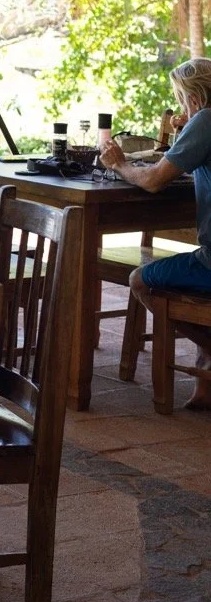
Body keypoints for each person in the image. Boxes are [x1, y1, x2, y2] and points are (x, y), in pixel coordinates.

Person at [101, 57, 211, 410]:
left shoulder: (206, 119)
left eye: (182, 99)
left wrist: (119, 165)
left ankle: (210, 352)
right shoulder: (201, 122)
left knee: (140, 280)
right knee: (187, 277)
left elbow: (152, 181)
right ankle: (204, 381)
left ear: (193, 99)